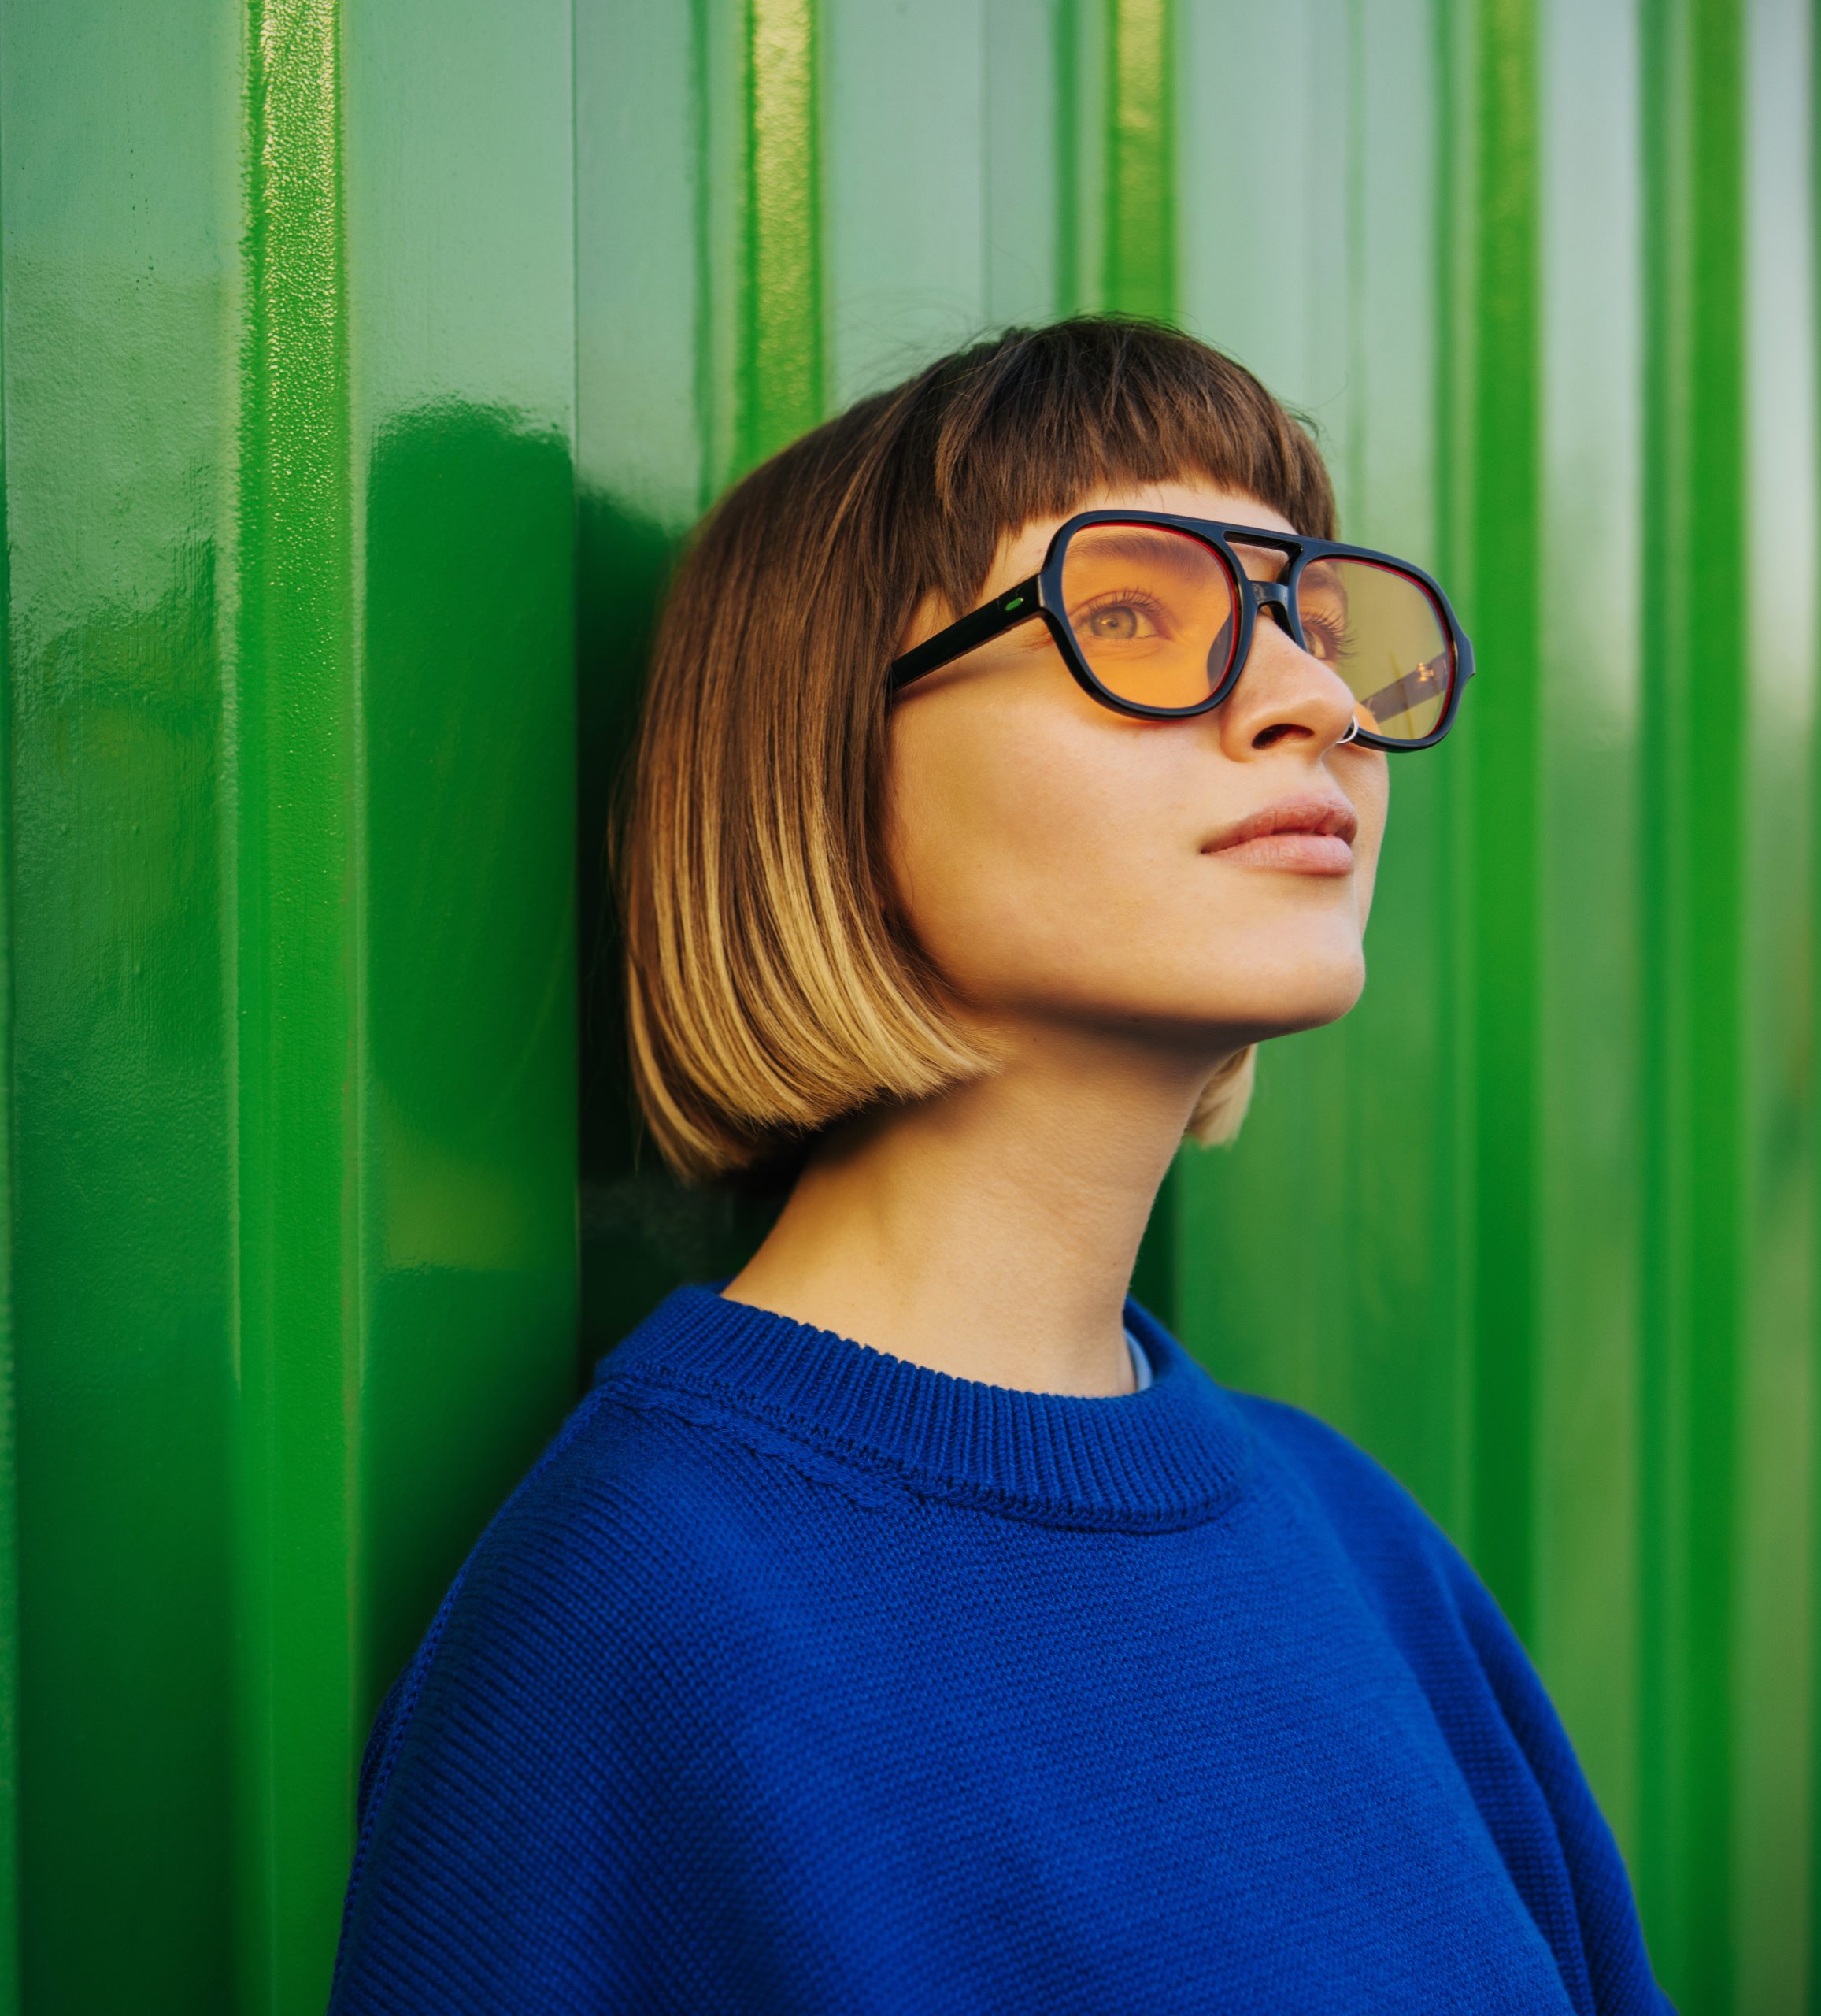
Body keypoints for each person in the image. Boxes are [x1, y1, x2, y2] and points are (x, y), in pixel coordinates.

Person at [328, 318, 1670, 2014]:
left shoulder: (1362, 1547)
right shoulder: (630, 1633)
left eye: (1310, 629)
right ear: (822, 766)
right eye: (1128, 617)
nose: (1319, 704)